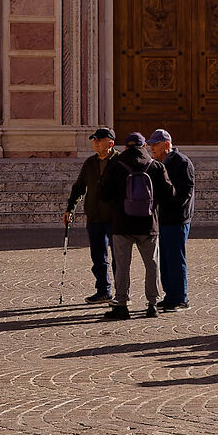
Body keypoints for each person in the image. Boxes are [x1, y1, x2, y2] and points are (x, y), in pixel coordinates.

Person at [100, 132, 171, 319]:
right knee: (152, 264)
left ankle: (122, 304)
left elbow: (104, 194)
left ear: (125, 148)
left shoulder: (115, 165)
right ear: (144, 147)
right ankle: (152, 305)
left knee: (122, 265)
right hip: (149, 225)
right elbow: (169, 193)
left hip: (122, 224)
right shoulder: (155, 166)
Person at [64, 128, 119, 303]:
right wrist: (70, 209)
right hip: (94, 217)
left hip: (115, 217)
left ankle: (122, 293)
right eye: (94, 140)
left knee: (119, 257)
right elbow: (79, 187)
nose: (95, 142)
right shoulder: (90, 163)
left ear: (110, 143)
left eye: (99, 140)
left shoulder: (119, 162)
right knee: (98, 257)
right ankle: (103, 290)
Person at [147, 128, 194, 310]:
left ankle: (180, 297)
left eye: (155, 145)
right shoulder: (158, 164)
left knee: (175, 258)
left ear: (166, 145)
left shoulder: (182, 163)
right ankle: (170, 295)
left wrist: (167, 200)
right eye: (150, 144)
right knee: (165, 259)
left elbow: (185, 193)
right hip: (164, 219)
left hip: (178, 219)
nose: (152, 148)